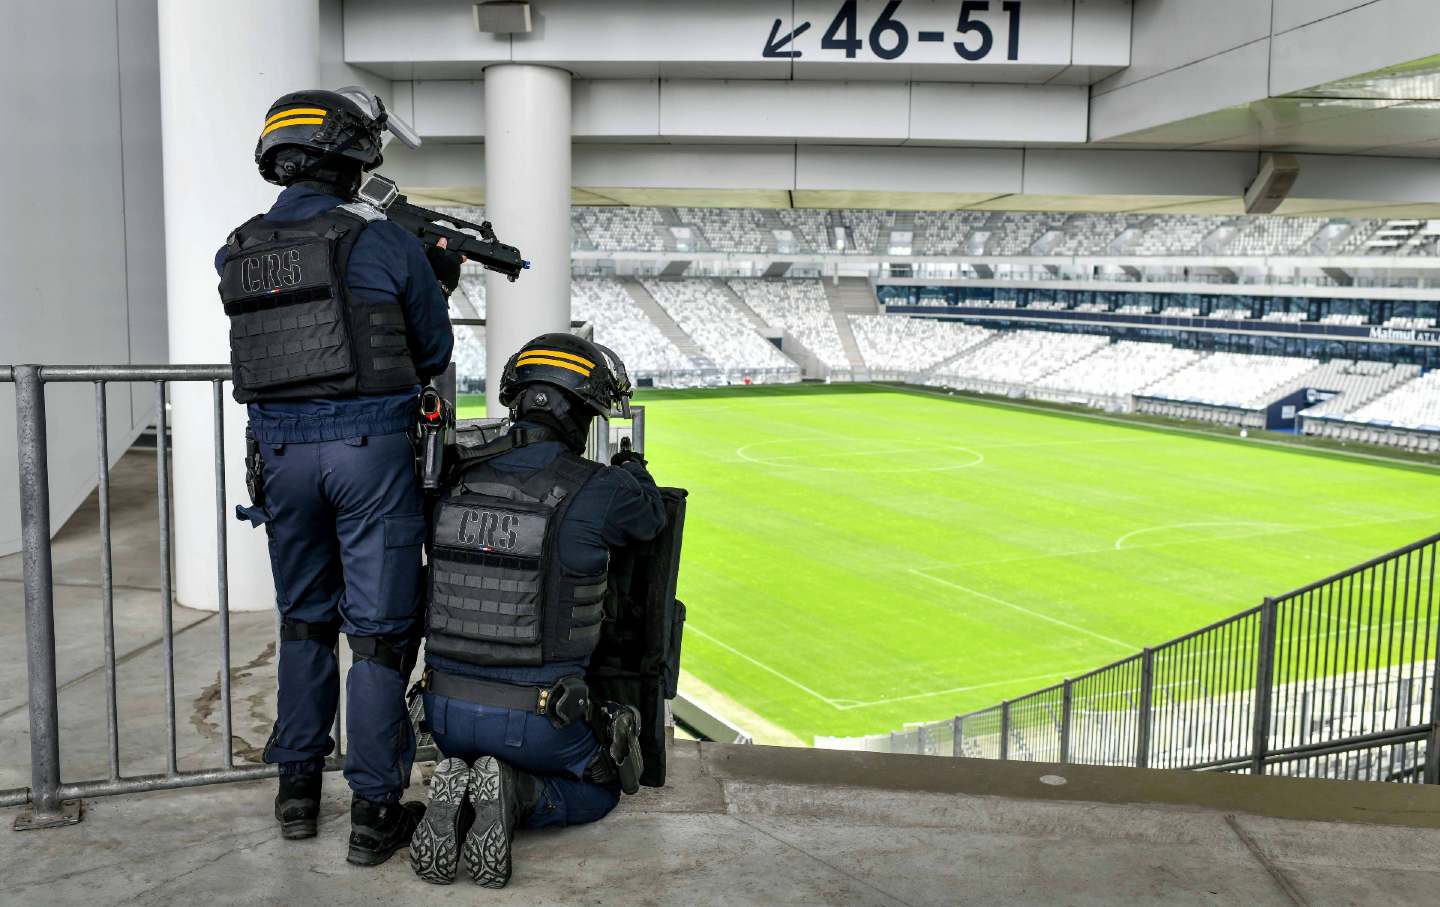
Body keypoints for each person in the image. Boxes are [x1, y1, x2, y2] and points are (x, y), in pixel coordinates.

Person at [216, 88, 464, 866]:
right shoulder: (382, 240)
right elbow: (432, 350)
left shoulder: (239, 245)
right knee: (381, 637)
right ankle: (372, 812)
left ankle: (296, 794)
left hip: (279, 460)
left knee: (304, 622)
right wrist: (440, 277)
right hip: (369, 456)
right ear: (353, 156)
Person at [408, 333, 667, 887]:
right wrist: (633, 467)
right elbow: (650, 518)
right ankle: (519, 794)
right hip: (539, 718)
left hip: (445, 711)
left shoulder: (454, 473)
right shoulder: (599, 488)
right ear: (579, 413)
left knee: (489, 743)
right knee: (602, 785)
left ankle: (467, 785)